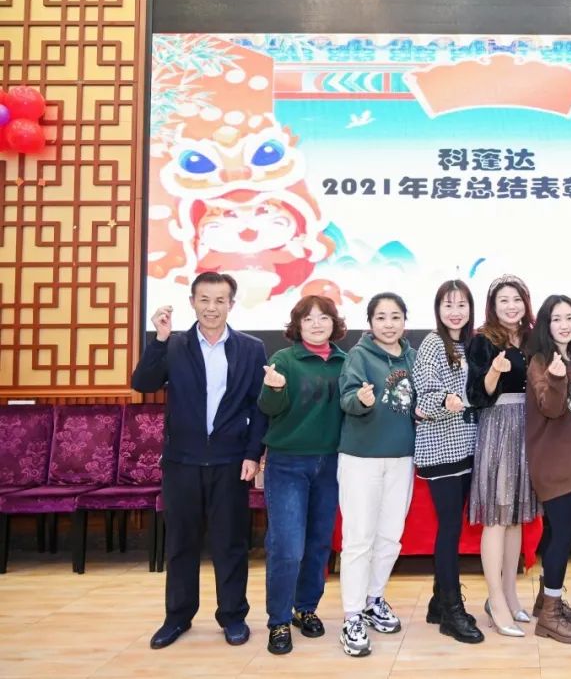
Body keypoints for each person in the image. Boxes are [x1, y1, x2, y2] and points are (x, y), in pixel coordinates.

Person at [132, 271, 267, 650]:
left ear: (231, 304)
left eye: (220, 300)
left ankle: (233, 616)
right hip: (182, 462)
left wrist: (252, 454)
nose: (211, 307)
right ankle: (177, 616)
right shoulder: (173, 345)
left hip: (230, 462)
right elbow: (142, 383)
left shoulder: (251, 348)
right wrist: (158, 339)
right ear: (192, 302)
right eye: (204, 299)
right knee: (181, 543)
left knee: (231, 544)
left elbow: (259, 408)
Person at [258, 295, 348, 654]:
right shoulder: (284, 360)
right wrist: (275, 388)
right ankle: (278, 620)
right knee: (287, 547)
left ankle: (305, 608)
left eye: (323, 317)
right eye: (308, 318)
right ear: (298, 325)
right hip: (288, 464)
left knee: (318, 543)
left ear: (334, 323)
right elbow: (269, 408)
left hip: (331, 464)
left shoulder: (344, 361)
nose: (316, 324)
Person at [337, 293, 418, 657]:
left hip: (402, 458)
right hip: (361, 459)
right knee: (359, 539)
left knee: (390, 537)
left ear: (405, 321)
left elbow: (419, 402)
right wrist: (362, 400)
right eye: (381, 317)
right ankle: (352, 616)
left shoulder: (413, 357)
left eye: (395, 316)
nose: (388, 323)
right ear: (370, 322)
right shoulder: (359, 355)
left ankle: (373, 600)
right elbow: (347, 398)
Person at [465, 275, 537, 637]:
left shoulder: (532, 338)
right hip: (498, 427)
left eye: (517, 299)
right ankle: (495, 600)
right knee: (496, 517)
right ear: (493, 306)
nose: (511, 306)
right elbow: (477, 395)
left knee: (516, 518)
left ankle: (510, 593)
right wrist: (494, 370)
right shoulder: (482, 340)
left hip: (529, 427)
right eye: (503, 300)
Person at [413, 280, 484, 644]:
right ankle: (452, 612)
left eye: (462, 305)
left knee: (452, 525)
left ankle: (438, 603)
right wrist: (446, 401)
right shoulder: (432, 343)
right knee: (450, 529)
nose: (455, 312)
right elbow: (423, 398)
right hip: (441, 450)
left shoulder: (469, 344)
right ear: (438, 309)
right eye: (448, 305)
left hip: (466, 447)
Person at [524, 295, 571, 644]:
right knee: (564, 534)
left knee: (558, 532)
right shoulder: (541, 362)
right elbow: (550, 408)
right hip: (552, 463)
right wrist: (556, 377)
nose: (564, 325)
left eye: (570, 317)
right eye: (556, 319)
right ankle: (549, 616)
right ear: (545, 325)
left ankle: (545, 599)